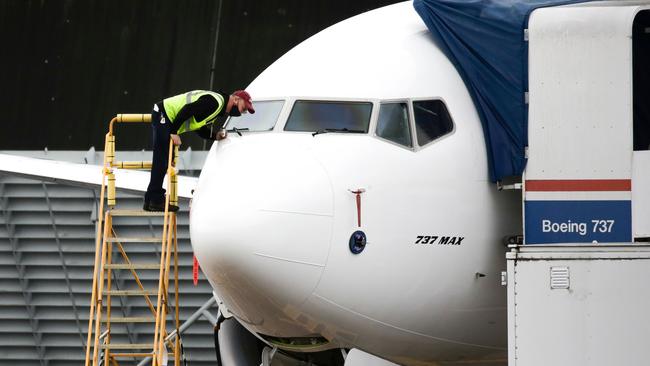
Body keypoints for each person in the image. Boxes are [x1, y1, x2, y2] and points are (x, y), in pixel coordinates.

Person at [144, 89, 255, 211]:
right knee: (162, 161)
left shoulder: (218, 107)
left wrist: (214, 136)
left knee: (163, 161)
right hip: (164, 113)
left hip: (165, 115)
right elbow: (187, 110)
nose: (242, 112)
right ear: (236, 99)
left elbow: (199, 126)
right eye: (244, 108)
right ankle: (156, 200)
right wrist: (173, 132)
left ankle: (150, 201)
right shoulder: (215, 102)